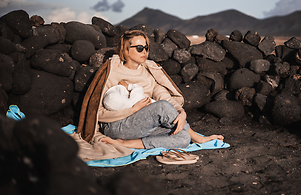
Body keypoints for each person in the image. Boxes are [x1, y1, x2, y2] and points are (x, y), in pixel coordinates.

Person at [95, 30, 223, 149]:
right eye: (139, 48)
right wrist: (132, 109)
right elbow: (99, 113)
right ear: (126, 50)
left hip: (142, 126)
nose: (144, 52)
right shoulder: (112, 73)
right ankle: (199, 138)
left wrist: (181, 112)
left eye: (146, 48)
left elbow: (164, 97)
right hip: (117, 126)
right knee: (162, 107)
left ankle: (126, 143)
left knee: (183, 137)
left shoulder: (149, 72)